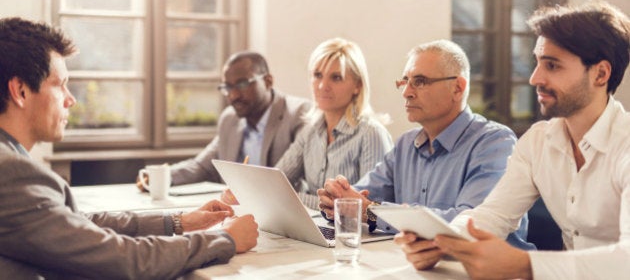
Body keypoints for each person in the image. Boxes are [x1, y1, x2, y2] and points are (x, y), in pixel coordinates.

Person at [0, 17, 259, 279]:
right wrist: (225, 239)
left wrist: (180, 221)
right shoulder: (10, 172)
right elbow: (122, 258)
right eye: (60, 85)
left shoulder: (11, 163)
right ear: (20, 90)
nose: (71, 99)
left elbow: (77, 224)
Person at [394, 0, 630, 279]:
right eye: (537, 63)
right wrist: (441, 243)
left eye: (552, 66)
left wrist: (525, 264)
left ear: (600, 74)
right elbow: (491, 215)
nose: (534, 78)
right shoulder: (538, 142)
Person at [318, 39, 534, 250]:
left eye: (420, 82)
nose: (406, 92)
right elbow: (361, 197)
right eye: (405, 81)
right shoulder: (405, 144)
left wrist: (371, 211)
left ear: (458, 88)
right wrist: (337, 198)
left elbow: (469, 225)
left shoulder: (494, 143)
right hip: (422, 269)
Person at [223, 38, 393, 209]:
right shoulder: (311, 131)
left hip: (356, 234)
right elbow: (275, 184)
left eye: (336, 78)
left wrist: (290, 197)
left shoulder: (371, 134)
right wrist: (244, 192)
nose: (322, 86)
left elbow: (365, 209)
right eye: (317, 75)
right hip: (316, 228)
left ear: (357, 86)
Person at [138, 51, 311, 189]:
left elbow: (292, 181)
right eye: (227, 87)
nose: (233, 95)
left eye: (242, 84)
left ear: (267, 81)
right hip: (233, 212)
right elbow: (203, 166)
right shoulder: (230, 118)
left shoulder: (298, 114)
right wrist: (160, 177)